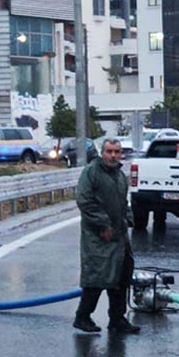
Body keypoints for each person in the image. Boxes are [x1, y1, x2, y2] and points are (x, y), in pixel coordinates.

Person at [74, 138, 139, 334]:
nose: (113, 155)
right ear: (102, 153)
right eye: (109, 151)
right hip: (98, 236)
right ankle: (83, 317)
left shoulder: (119, 175)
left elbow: (122, 202)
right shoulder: (92, 172)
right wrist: (102, 223)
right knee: (97, 277)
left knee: (121, 276)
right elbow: (84, 200)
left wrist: (128, 218)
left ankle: (117, 319)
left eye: (117, 152)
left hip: (119, 235)